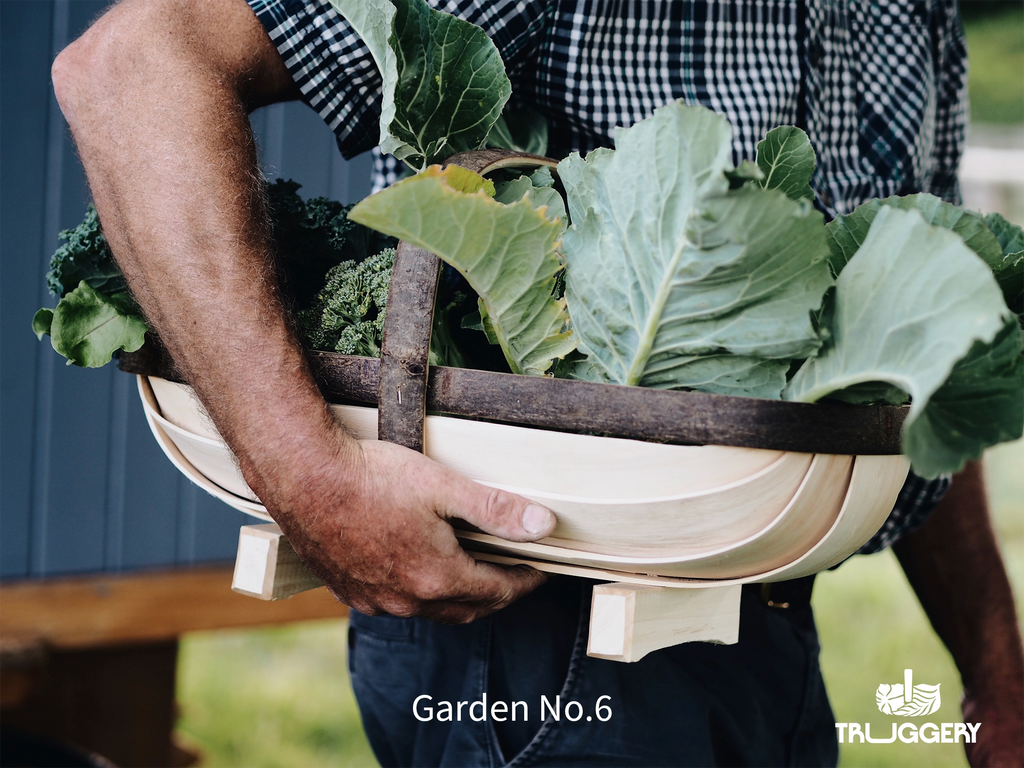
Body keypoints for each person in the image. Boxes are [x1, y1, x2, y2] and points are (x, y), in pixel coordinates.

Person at [50, 0, 1024, 764]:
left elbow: (906, 333)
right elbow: (127, 66)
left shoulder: (914, 12)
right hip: (530, 629)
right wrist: (308, 478)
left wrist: (994, 671)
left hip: (763, 623)